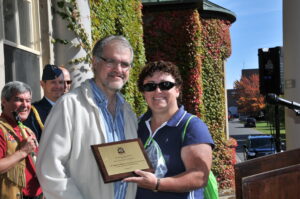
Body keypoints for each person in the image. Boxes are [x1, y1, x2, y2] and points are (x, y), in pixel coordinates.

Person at [36, 35, 138, 199]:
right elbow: (50, 169)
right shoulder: (69, 105)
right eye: (111, 61)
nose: (118, 69)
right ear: (95, 62)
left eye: (125, 64)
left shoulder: (128, 113)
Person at [124, 61, 214, 199]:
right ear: (144, 92)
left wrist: (157, 184)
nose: (157, 91)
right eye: (150, 86)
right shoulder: (137, 124)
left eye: (165, 85)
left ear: (177, 90)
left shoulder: (191, 126)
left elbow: (199, 176)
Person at [0, 81, 42, 199]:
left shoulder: (28, 131)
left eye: (28, 100)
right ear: (4, 101)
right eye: (19, 100)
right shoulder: (1, 129)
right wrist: (23, 152)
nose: (25, 105)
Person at [24, 64, 64, 141]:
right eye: (53, 82)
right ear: (42, 84)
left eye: (61, 82)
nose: (58, 86)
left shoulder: (70, 108)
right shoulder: (32, 112)